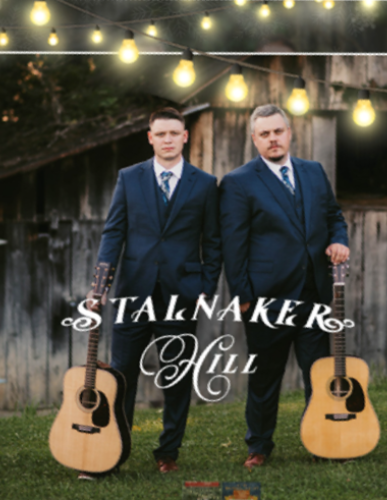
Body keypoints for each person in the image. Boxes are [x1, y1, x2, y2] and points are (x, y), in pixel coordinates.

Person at [86, 107, 221, 476]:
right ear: (150, 137)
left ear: (185, 136)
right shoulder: (129, 178)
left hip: (182, 294)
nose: (167, 140)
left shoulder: (205, 183)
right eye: (160, 134)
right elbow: (114, 233)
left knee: (176, 375)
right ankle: (113, 450)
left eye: (174, 133)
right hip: (133, 291)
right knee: (121, 374)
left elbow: (213, 240)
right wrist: (101, 285)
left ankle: (168, 452)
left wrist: (205, 287)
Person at [219, 104, 349, 469]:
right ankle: (258, 447)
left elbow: (333, 216)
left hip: (314, 295)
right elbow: (234, 245)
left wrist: (340, 239)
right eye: (265, 133)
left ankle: (320, 439)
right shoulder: (238, 182)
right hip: (266, 299)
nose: (273, 138)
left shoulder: (313, 171)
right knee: (264, 379)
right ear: (254, 138)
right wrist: (244, 299)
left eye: (279, 131)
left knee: (319, 374)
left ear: (289, 132)